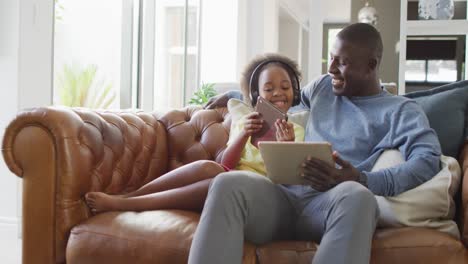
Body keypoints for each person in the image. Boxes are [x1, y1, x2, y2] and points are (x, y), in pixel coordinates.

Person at [188, 23, 442, 264]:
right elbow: (282, 100)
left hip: (332, 205)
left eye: (341, 62)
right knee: (227, 182)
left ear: (371, 65)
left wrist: (361, 179)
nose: (330, 68)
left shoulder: (401, 111)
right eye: (331, 58)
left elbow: (427, 161)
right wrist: (235, 95)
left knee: (359, 196)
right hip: (283, 199)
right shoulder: (324, 87)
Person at [85, 53, 304, 213]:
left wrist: (287, 148)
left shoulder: (297, 131)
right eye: (269, 88)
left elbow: (286, 184)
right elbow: (226, 165)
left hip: (259, 194)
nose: (278, 93)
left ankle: (126, 204)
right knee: (209, 168)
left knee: (220, 184)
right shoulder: (246, 122)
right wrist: (242, 135)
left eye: (285, 87)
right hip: (229, 179)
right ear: (257, 94)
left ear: (294, 92)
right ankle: (132, 195)